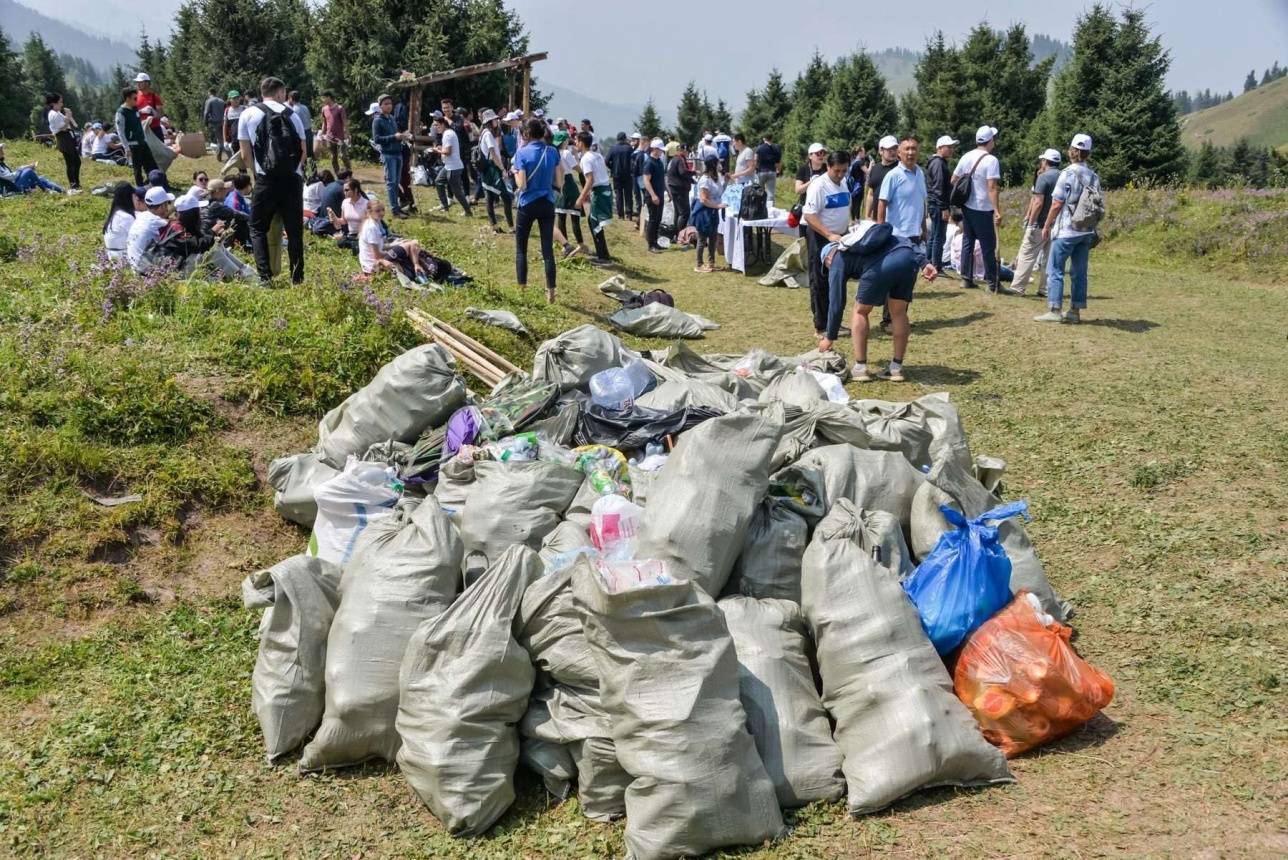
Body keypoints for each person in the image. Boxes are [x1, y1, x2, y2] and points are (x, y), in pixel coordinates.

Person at [818, 222, 939, 382]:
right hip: (907, 258)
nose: (829, 269)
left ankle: (860, 368)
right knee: (899, 312)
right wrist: (924, 262)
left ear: (828, 257)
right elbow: (902, 241)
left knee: (860, 311)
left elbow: (836, 302)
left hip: (881, 266)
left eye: (826, 266)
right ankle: (896, 369)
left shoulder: (837, 257)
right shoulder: (864, 236)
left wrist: (829, 337)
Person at [238, 76, 308, 283]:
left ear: (262, 92)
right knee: (294, 231)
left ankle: (265, 277)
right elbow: (303, 152)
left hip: (265, 179)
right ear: (280, 92)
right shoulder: (292, 115)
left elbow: (244, 154)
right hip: (292, 179)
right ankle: (297, 277)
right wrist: (292, 170)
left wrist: (257, 171)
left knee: (257, 227)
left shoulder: (248, 114)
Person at [1036, 134, 1100, 324]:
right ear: (1087, 153)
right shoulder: (1094, 176)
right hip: (1086, 231)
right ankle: (1075, 311)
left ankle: (1055, 309)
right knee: (1079, 272)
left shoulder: (1067, 173)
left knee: (1055, 269)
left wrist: (1047, 225)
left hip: (1066, 230)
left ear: (1072, 151)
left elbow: (1056, 203)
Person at [512, 118, 564, 302]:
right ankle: (551, 293)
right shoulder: (552, 151)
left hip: (527, 204)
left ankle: (522, 289)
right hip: (547, 202)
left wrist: (515, 172)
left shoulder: (522, 153)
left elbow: (522, 185)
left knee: (521, 249)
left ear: (526, 134)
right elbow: (559, 182)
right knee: (547, 250)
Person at [803, 150, 853, 336]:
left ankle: (834, 322)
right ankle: (821, 325)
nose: (840, 175)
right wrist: (828, 234)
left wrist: (848, 228)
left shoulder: (844, 183)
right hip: (821, 237)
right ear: (829, 167)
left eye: (844, 171)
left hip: (840, 238)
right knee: (820, 281)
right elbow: (809, 215)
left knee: (836, 281)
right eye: (837, 171)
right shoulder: (819, 185)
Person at [952, 124, 1003, 292]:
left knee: (968, 240)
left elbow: (954, 179)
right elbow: (992, 187)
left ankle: (966, 278)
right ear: (991, 141)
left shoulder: (966, 156)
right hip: (983, 207)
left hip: (967, 205)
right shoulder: (991, 160)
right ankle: (992, 282)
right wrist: (997, 210)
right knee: (988, 245)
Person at [163, 193, 255, 279]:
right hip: (176, 270)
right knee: (212, 252)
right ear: (192, 213)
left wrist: (218, 238)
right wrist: (212, 231)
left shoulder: (185, 224)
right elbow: (198, 246)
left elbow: (199, 242)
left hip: (185, 262)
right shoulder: (176, 228)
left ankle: (246, 271)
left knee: (217, 247)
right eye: (198, 209)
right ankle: (240, 276)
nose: (200, 211)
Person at [1013, 148, 1062, 297]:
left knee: (1027, 255)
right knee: (1049, 259)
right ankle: (1044, 289)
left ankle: (1018, 287)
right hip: (1058, 225)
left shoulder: (1043, 177)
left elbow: (1038, 203)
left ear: (1045, 161)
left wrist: (1031, 223)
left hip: (1040, 224)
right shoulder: (1064, 176)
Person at [573, 131, 613, 265]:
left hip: (599, 191)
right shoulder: (597, 155)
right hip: (605, 188)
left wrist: (581, 198)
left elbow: (590, 180)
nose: (575, 143)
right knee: (593, 222)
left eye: (577, 141)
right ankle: (603, 253)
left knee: (594, 223)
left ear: (582, 143)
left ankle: (604, 257)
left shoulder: (586, 159)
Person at [878, 136, 928, 244]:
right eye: (907, 149)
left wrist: (924, 229)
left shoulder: (920, 173)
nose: (911, 152)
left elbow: (921, 202)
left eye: (914, 149)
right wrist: (881, 233)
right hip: (897, 236)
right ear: (899, 153)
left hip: (916, 234)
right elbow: (882, 203)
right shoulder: (893, 175)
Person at [370, 94, 411, 219]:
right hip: (388, 155)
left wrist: (403, 136)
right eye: (386, 103)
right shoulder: (377, 120)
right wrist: (394, 137)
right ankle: (394, 210)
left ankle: (398, 207)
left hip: (398, 153)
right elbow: (377, 139)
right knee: (391, 183)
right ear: (380, 106)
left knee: (397, 182)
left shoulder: (392, 118)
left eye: (390, 103)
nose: (389, 106)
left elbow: (396, 135)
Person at [949, 209, 1014, 281]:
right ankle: (1014, 272)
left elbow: (953, 258)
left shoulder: (957, 238)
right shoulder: (979, 241)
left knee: (1001, 267)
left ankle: (1009, 267)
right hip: (982, 273)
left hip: (962, 271)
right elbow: (984, 262)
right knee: (1007, 273)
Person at [477, 109, 514, 231]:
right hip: (492, 168)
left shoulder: (485, 132)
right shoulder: (488, 134)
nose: (497, 121)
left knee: (490, 197)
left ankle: (494, 226)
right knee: (506, 197)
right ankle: (511, 227)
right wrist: (503, 169)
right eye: (495, 119)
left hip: (487, 168)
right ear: (490, 121)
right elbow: (493, 154)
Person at [925, 135, 957, 274]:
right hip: (938, 204)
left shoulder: (938, 162)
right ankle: (936, 266)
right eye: (948, 147)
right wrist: (944, 207)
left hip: (935, 203)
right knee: (939, 236)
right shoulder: (938, 163)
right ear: (939, 148)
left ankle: (928, 262)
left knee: (934, 235)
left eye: (952, 147)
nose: (951, 150)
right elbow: (939, 188)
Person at [114, 87, 158, 187]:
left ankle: (155, 185)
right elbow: (120, 132)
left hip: (142, 142)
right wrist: (126, 148)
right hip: (133, 145)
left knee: (152, 166)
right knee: (137, 170)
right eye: (134, 98)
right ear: (127, 99)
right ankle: (140, 189)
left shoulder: (135, 109)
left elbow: (137, 121)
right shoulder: (121, 113)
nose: (137, 100)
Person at [553, 130, 586, 257]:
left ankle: (564, 245)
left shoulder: (555, 153)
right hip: (569, 183)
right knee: (574, 215)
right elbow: (577, 169)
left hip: (558, 182)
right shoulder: (566, 152)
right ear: (565, 141)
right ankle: (580, 244)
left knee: (561, 215)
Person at [126, 186, 174, 271]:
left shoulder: (141, 216)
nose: (167, 207)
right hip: (146, 272)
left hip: (134, 266)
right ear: (162, 206)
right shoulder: (156, 221)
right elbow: (178, 227)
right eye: (168, 203)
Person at [431, 115, 473, 215]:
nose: (435, 128)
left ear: (442, 124)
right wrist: (440, 148)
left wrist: (437, 150)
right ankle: (444, 206)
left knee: (457, 192)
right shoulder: (447, 133)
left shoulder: (448, 134)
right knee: (438, 181)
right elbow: (447, 148)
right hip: (449, 166)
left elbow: (448, 152)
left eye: (437, 125)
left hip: (454, 167)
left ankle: (468, 211)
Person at [691, 156, 727, 273]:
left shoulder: (715, 178)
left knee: (713, 238)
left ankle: (711, 263)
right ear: (713, 164)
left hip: (713, 212)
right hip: (704, 212)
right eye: (717, 163)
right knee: (702, 239)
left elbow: (719, 193)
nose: (719, 165)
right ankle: (699, 264)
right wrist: (717, 206)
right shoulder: (704, 180)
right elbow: (704, 199)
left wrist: (725, 181)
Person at [46, 94, 82, 191]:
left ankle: (76, 183)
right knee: (72, 162)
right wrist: (68, 116)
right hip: (63, 138)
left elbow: (68, 123)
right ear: (54, 103)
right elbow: (62, 127)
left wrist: (69, 116)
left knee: (75, 161)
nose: (62, 104)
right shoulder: (53, 114)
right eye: (60, 102)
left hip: (67, 137)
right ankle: (74, 184)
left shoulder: (57, 113)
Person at [0, 143, 65, 195]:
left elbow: (11, 175)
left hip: (14, 185)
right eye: (0, 150)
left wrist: (24, 167)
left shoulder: (2, 164)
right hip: (10, 189)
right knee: (28, 171)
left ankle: (64, 191)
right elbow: (10, 177)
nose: (2, 151)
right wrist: (23, 169)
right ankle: (45, 190)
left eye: (2, 149)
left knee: (41, 179)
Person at [203, 178, 251, 247]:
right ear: (218, 191)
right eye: (224, 188)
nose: (226, 190)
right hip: (208, 236)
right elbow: (236, 214)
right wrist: (251, 218)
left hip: (205, 234)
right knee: (238, 221)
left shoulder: (206, 200)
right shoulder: (216, 205)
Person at [102, 182, 145, 258]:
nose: (136, 199)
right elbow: (138, 240)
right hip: (123, 258)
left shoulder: (116, 213)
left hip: (113, 256)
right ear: (129, 197)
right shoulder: (126, 217)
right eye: (134, 196)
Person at [639, 138, 667, 254]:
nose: (662, 152)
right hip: (652, 196)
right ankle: (651, 244)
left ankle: (655, 242)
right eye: (660, 150)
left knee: (658, 219)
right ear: (655, 149)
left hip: (660, 194)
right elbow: (646, 180)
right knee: (653, 219)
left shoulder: (659, 161)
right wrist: (653, 195)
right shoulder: (649, 162)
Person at [327, 176, 369, 252]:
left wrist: (360, 236)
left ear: (355, 190)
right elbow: (344, 221)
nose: (344, 193)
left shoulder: (366, 204)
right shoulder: (345, 202)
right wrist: (334, 218)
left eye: (347, 190)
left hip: (364, 235)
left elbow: (368, 224)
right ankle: (354, 244)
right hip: (351, 235)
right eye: (343, 190)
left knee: (355, 247)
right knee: (340, 243)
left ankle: (356, 245)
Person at [864, 135, 898, 221]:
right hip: (877, 220)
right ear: (881, 151)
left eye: (895, 148)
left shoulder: (901, 169)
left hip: (896, 221)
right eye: (889, 149)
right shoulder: (875, 169)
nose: (893, 152)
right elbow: (871, 194)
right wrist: (867, 215)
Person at [666, 140, 695, 233]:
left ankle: (676, 233)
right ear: (683, 150)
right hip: (679, 189)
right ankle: (681, 234)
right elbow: (683, 172)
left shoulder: (674, 159)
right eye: (687, 151)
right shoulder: (680, 159)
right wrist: (694, 173)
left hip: (674, 187)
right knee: (685, 213)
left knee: (678, 212)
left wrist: (692, 180)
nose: (688, 153)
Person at [606, 132, 636, 220]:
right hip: (628, 174)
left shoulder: (613, 148)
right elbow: (634, 161)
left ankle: (620, 214)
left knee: (618, 194)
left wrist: (612, 167)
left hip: (616, 174)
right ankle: (629, 214)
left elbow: (607, 161)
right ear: (625, 138)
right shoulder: (629, 148)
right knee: (628, 194)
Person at [319, 91, 350, 173]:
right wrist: (322, 134)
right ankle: (338, 175)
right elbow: (324, 123)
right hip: (329, 137)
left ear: (329, 97)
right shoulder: (324, 109)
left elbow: (344, 122)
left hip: (340, 137)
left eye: (323, 97)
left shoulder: (340, 108)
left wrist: (347, 134)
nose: (322, 100)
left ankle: (349, 173)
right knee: (333, 157)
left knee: (343, 156)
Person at [134, 73, 163, 140]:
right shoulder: (135, 97)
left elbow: (159, 115)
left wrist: (153, 114)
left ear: (147, 83)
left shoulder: (154, 97)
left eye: (140, 82)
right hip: (141, 130)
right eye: (137, 82)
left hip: (155, 129)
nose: (138, 84)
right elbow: (131, 114)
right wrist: (141, 111)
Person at [754, 134, 781, 204]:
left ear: (764, 139)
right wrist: (778, 171)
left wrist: (756, 168)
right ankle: (770, 209)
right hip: (772, 171)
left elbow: (755, 159)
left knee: (760, 191)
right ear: (772, 139)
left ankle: (760, 207)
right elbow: (778, 162)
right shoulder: (776, 148)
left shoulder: (759, 148)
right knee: (771, 192)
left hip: (761, 171)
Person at [287, 91, 314, 161]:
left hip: (301, 135)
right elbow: (309, 118)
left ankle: (303, 171)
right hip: (309, 132)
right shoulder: (305, 107)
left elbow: (294, 126)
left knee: (302, 155)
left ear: (291, 98)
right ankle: (314, 171)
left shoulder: (293, 110)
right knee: (310, 154)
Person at [203, 89, 227, 159]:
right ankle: (220, 150)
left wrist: (205, 123)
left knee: (219, 139)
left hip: (214, 122)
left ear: (209, 93)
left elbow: (206, 113)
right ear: (216, 93)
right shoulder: (222, 101)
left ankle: (219, 152)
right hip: (223, 121)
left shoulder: (209, 101)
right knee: (221, 138)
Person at [630, 133, 648, 223]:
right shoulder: (643, 154)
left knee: (638, 199)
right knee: (643, 200)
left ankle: (639, 219)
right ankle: (641, 220)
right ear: (644, 142)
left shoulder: (633, 153)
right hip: (641, 179)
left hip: (634, 178)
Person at [847, 146, 867, 220]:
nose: (865, 154)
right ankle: (857, 220)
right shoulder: (860, 162)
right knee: (858, 204)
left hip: (852, 186)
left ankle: (852, 220)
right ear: (860, 153)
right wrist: (871, 164)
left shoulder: (852, 162)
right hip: (859, 186)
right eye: (864, 152)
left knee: (854, 203)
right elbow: (867, 171)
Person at [224, 90, 245, 156]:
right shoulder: (227, 110)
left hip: (245, 138)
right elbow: (225, 126)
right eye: (234, 98)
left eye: (237, 98)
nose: (236, 100)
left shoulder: (244, 108)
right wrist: (225, 140)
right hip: (234, 139)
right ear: (229, 99)